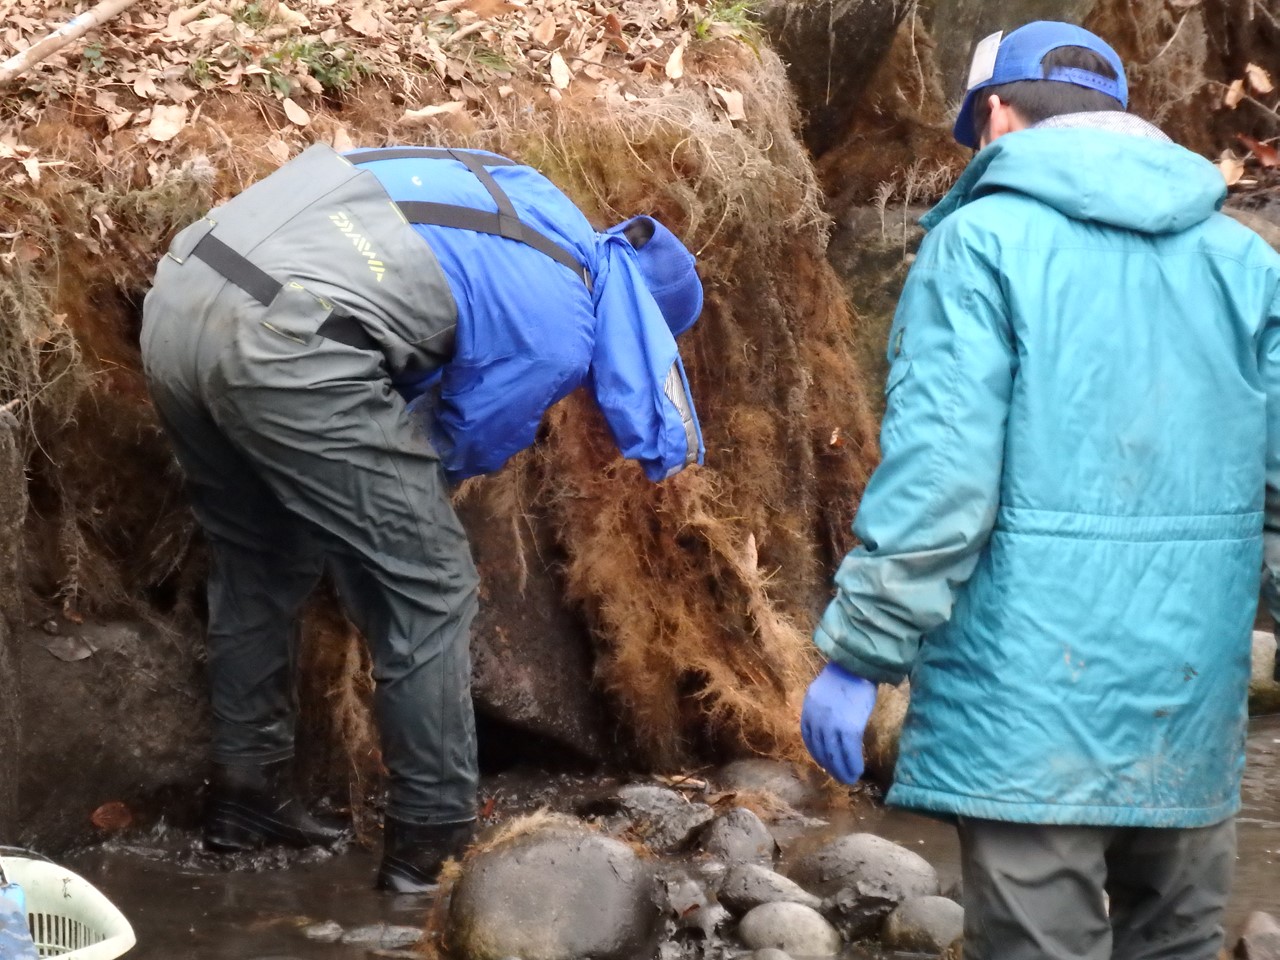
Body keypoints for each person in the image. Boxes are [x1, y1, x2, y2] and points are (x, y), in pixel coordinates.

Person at [800, 20, 1280, 960]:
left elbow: (944, 479)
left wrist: (861, 653)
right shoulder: (1247, 261)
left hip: (1028, 710)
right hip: (1189, 712)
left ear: (996, 115)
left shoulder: (980, 244)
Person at [140, 143, 705, 892]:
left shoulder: (521, 201)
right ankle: (431, 847)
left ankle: (247, 803)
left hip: (183, 294)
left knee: (260, 561)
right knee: (432, 587)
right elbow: (453, 450)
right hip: (287, 345)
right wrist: (381, 538)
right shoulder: (564, 321)